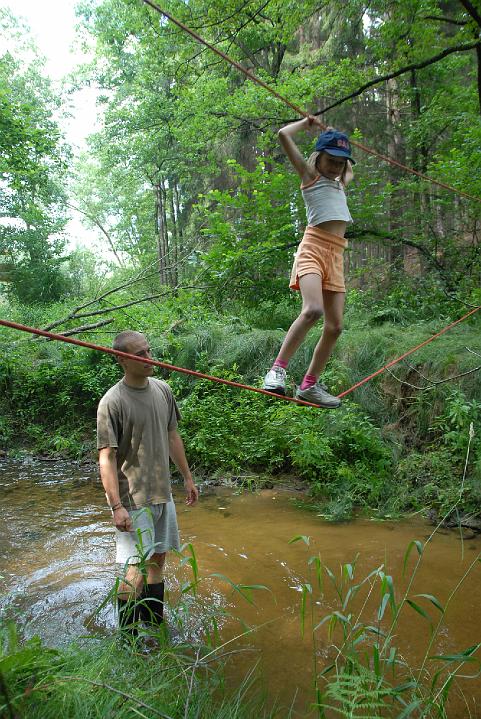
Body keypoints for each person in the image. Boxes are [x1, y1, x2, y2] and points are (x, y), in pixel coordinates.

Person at [97, 330, 198, 634]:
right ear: (122, 359)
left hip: (162, 493)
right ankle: (127, 638)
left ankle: (154, 627)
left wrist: (188, 478)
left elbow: (172, 436)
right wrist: (116, 506)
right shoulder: (112, 402)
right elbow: (107, 458)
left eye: (149, 351)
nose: (148, 359)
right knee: (135, 568)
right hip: (133, 499)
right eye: (140, 355)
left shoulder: (163, 390)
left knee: (158, 560)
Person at [263, 117, 355, 408]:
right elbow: (282, 135)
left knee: (335, 326)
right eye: (331, 161)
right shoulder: (309, 176)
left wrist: (338, 137)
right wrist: (307, 124)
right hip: (313, 249)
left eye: (341, 163)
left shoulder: (341, 183)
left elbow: (349, 167)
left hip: (336, 255)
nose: (336, 167)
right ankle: (277, 371)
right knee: (312, 309)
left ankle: (309, 385)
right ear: (318, 158)